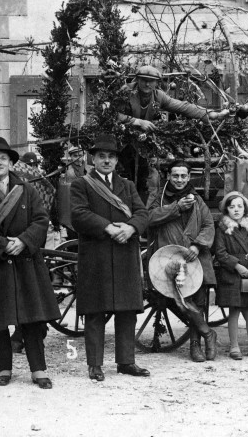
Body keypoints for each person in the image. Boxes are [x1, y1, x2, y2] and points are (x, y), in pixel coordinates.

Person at [0, 137, 61, 389]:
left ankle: (38, 370)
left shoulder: (27, 189)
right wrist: (2, 245)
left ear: (10, 162)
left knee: (32, 316)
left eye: (3, 158)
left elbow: (41, 219)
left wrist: (24, 241)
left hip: (26, 260)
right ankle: (4, 368)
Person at [70, 134, 150, 381]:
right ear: (92, 159)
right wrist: (109, 228)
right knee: (95, 311)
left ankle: (126, 362)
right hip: (97, 255)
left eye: (111, 157)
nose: (106, 161)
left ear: (117, 161)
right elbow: (78, 215)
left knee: (127, 311)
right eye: (101, 156)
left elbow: (142, 213)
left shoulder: (127, 186)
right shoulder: (81, 184)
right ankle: (95, 365)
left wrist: (131, 228)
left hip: (125, 252)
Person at [114, 65, 225, 195]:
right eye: (143, 79)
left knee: (143, 178)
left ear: (157, 82)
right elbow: (112, 113)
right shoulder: (126, 92)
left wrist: (208, 114)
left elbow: (182, 107)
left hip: (142, 144)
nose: (147, 84)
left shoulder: (159, 96)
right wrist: (137, 121)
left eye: (151, 80)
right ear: (137, 80)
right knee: (123, 176)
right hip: (121, 142)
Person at [147, 160, 217, 362]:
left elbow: (208, 224)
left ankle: (195, 346)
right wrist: (175, 207)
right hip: (169, 257)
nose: (179, 180)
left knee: (199, 301)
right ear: (168, 176)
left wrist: (197, 245)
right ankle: (207, 333)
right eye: (175, 175)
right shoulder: (159, 197)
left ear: (188, 177)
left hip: (195, 257)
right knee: (182, 299)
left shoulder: (196, 199)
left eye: (183, 176)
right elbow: (148, 218)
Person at [214, 192, 248, 360]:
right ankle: (234, 346)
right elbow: (220, 253)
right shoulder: (222, 228)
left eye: (240, 206)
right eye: (232, 206)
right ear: (226, 209)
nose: (236, 210)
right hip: (231, 274)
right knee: (234, 310)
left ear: (245, 209)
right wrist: (236, 265)